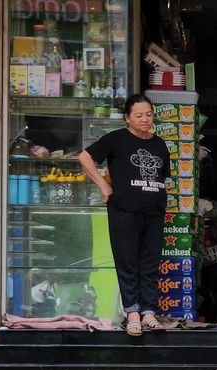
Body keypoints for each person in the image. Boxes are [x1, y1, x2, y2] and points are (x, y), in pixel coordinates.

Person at [78, 93, 171, 336]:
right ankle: (132, 313)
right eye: (139, 115)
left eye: (149, 114)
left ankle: (149, 312)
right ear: (127, 118)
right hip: (123, 211)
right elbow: (84, 157)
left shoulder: (159, 144)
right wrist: (103, 185)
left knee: (150, 264)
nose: (145, 119)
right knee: (127, 262)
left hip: (154, 211)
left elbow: (163, 177)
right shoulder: (116, 139)